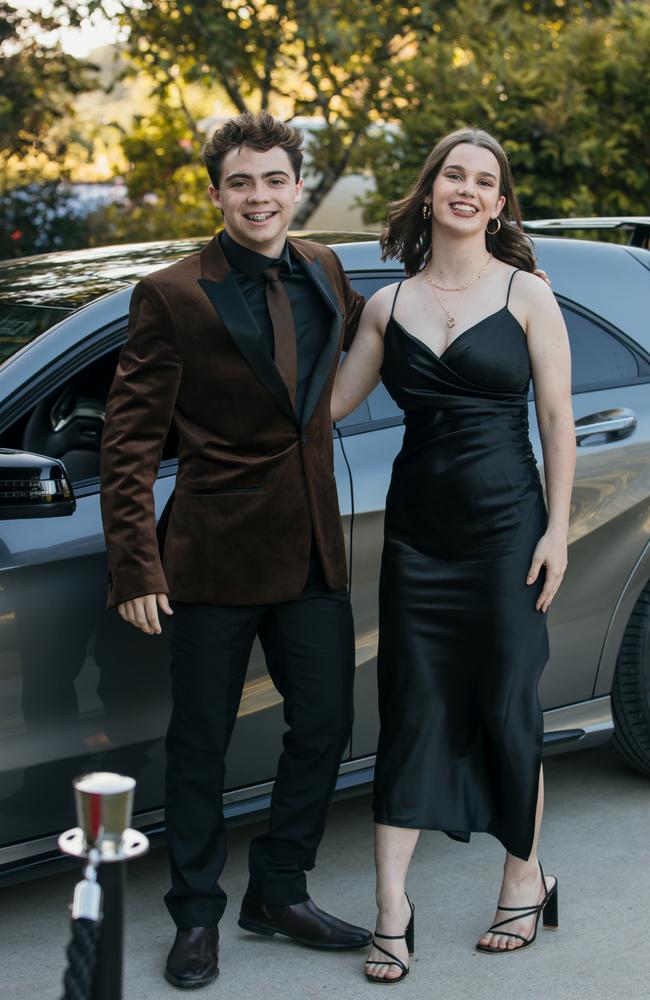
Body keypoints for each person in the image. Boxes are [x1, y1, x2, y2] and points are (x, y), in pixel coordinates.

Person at [100, 111, 372, 990]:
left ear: (297, 187)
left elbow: (383, 340)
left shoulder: (327, 269)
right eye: (241, 183)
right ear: (217, 193)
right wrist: (137, 564)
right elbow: (128, 443)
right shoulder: (172, 293)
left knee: (326, 726)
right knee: (201, 747)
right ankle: (196, 917)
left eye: (274, 180)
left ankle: (279, 889)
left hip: (314, 559)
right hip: (211, 561)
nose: (259, 196)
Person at [331, 127, 575, 983]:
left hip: (510, 530)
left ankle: (523, 878)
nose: (467, 190)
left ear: (499, 204)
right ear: (431, 190)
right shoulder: (387, 308)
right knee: (413, 705)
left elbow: (556, 422)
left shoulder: (528, 295)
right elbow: (322, 409)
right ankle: (391, 908)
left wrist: (558, 531)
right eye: (454, 176)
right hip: (420, 539)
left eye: (485, 181)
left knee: (508, 702)